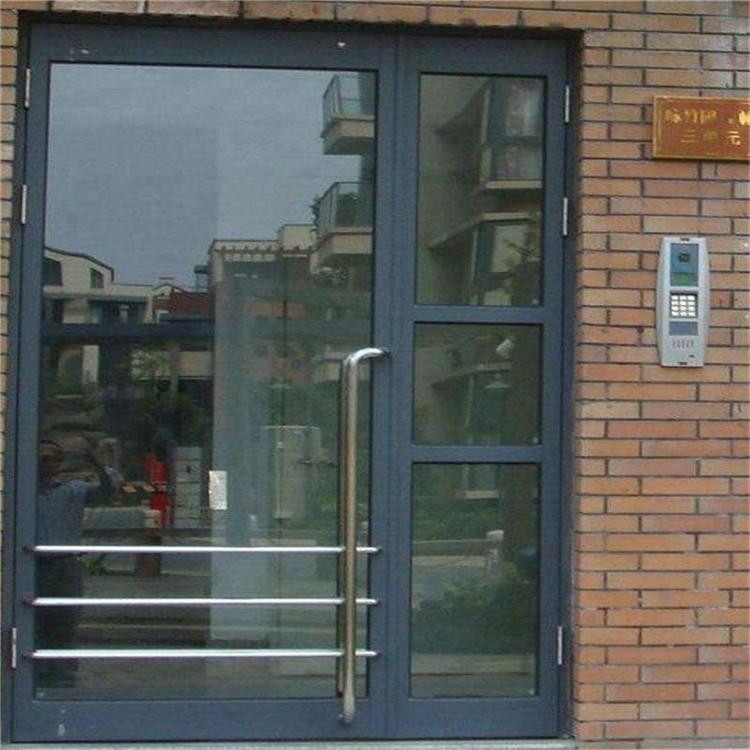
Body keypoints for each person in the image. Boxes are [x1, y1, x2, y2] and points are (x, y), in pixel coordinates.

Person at [36, 439, 120, 689]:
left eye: (52, 459)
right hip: (33, 563)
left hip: (65, 564)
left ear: (60, 463)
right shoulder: (23, 490)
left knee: (65, 620)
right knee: (34, 619)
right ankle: (35, 671)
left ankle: (62, 673)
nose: (46, 464)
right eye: (42, 459)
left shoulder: (72, 490)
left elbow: (108, 491)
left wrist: (98, 464)